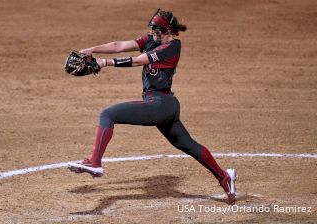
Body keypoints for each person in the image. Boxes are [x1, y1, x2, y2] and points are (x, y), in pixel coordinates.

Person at [67, 9, 237, 204]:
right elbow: (120, 45)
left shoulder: (172, 47)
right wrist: (92, 49)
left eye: (156, 29)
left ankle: (95, 162)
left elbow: (139, 61)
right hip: (164, 106)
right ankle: (225, 176)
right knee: (188, 145)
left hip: (160, 104)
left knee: (108, 114)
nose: (152, 33)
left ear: (166, 30)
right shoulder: (151, 41)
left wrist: (104, 63)